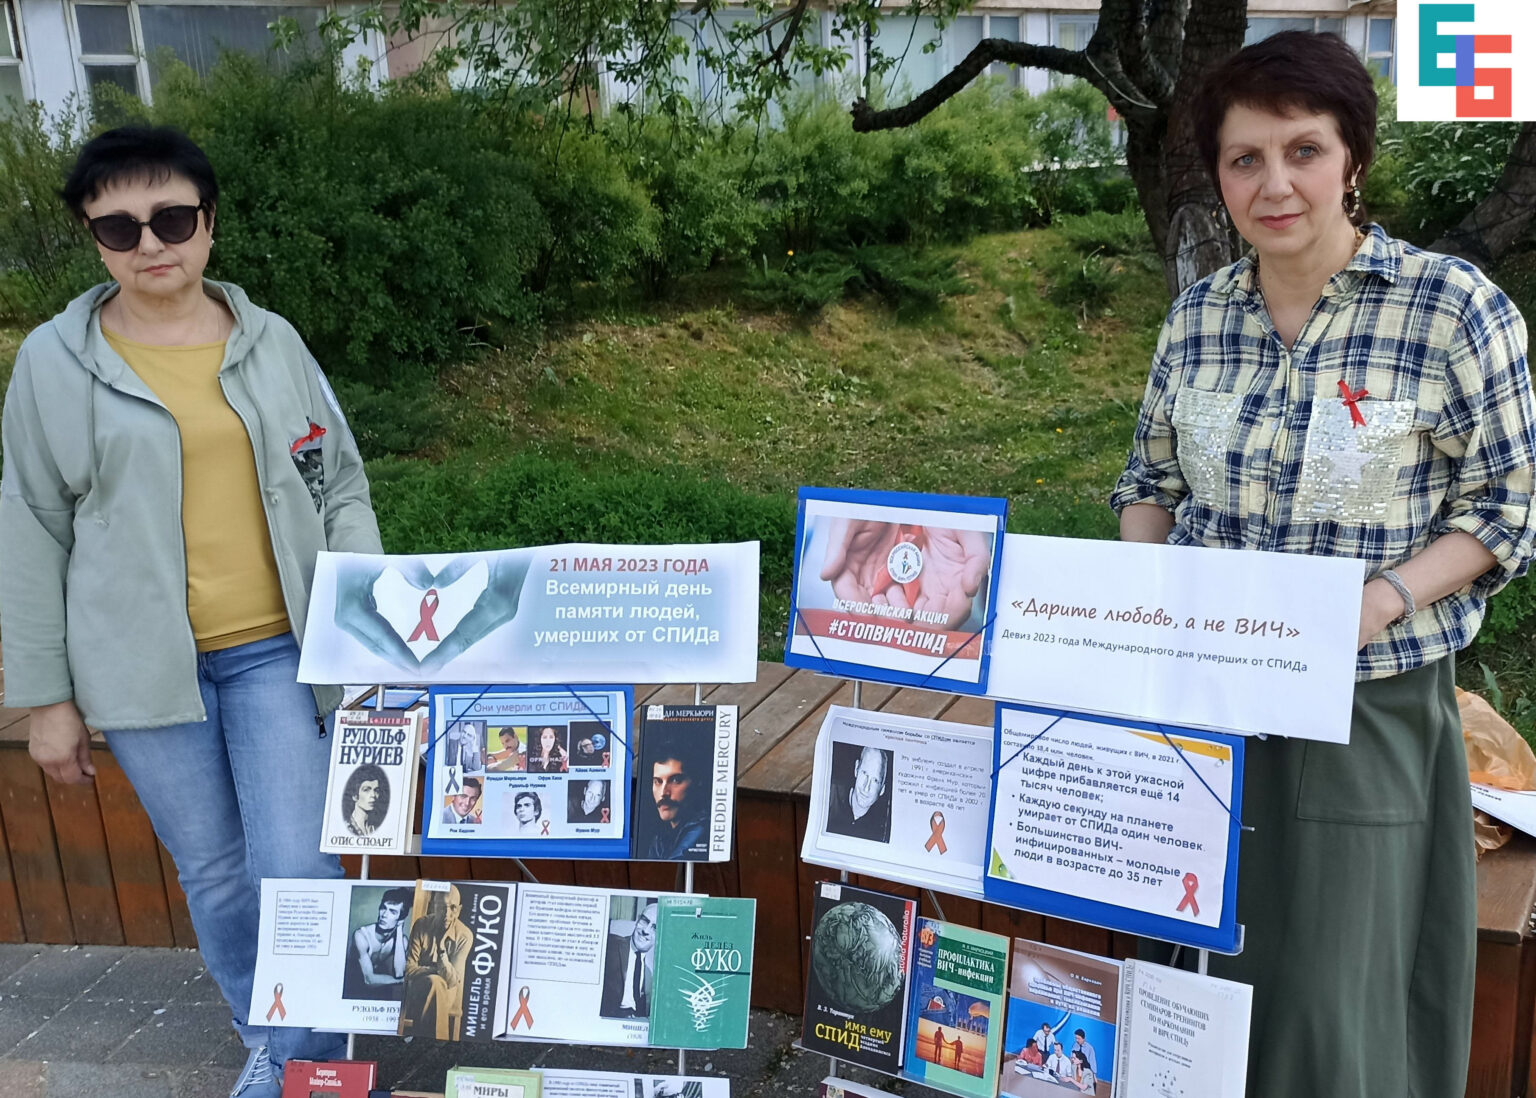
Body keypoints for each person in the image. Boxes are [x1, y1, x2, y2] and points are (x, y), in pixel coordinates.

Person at [1111, 32, 1536, 1098]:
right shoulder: (1200, 317)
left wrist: (1382, 599)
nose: (1275, 184)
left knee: (1333, 994)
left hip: (1366, 708)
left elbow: (1507, 510)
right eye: (1244, 158)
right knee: (1201, 968)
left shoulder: (1452, 309)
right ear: (1218, 176)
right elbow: (1148, 484)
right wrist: (1143, 609)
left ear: (1354, 160)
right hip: (1205, 699)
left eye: (1303, 150)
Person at [0, 126, 379, 1098]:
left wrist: (362, 621)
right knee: (215, 874)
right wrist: (45, 699)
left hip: (278, 652)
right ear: (93, 239)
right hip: (140, 669)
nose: (149, 243)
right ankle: (277, 1048)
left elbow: (339, 483)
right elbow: (31, 527)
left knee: (299, 871)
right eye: (119, 227)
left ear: (209, 223)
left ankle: (314, 1067)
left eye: (171, 219)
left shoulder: (273, 342)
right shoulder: (52, 363)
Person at [401, 886, 473, 1040]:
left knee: (437, 983)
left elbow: (453, 980)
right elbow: (408, 969)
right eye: (441, 907)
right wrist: (434, 971)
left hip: (448, 992)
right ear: (434, 907)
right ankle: (437, 1041)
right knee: (435, 981)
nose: (447, 914)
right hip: (418, 989)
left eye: (453, 907)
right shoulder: (421, 925)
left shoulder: (464, 936)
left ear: (459, 910)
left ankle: (422, 1040)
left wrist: (441, 951)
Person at [640, 736, 710, 859]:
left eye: (675, 780)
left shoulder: (701, 830)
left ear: (696, 783)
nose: (664, 793)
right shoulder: (661, 839)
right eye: (658, 781)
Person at [341, 888, 412, 1001]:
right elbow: (368, 980)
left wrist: (399, 930)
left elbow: (399, 973)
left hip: (382, 993)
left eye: (392, 912)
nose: (384, 915)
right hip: (353, 990)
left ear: (400, 919)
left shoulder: (402, 941)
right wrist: (401, 980)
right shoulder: (362, 936)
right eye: (383, 908)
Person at [599, 901, 658, 1018]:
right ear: (637, 920)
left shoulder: (649, 973)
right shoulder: (610, 945)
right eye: (644, 921)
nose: (646, 931)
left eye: (655, 928)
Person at [825, 745, 892, 842]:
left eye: (875, 780)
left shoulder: (882, 830)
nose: (866, 787)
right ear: (856, 768)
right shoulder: (830, 796)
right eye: (864, 773)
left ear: (882, 789)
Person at [341, 764, 390, 837]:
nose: (373, 795)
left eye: (376, 790)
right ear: (355, 796)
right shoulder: (346, 827)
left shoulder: (376, 828)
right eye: (366, 790)